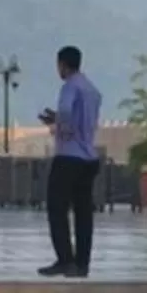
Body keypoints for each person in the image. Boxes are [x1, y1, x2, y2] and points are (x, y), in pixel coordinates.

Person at [38, 45, 102, 278]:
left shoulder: (70, 86)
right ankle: (82, 263)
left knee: (57, 208)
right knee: (84, 212)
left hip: (68, 157)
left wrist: (59, 126)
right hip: (89, 157)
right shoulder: (92, 90)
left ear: (63, 65)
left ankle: (65, 259)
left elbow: (65, 110)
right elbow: (83, 119)